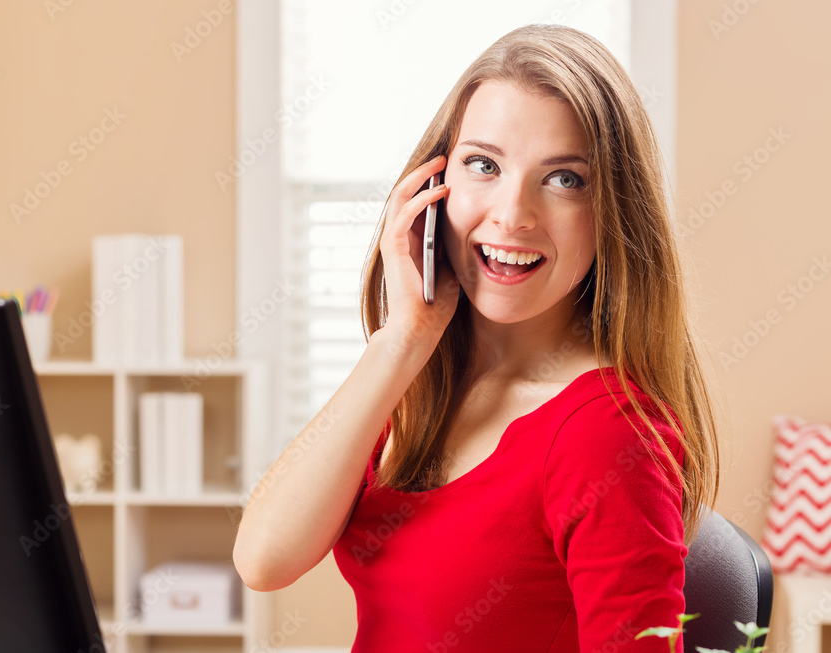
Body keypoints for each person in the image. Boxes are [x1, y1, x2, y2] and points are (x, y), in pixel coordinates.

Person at [233, 23, 722, 651]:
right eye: (483, 165)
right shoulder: (424, 376)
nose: (512, 213)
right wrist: (401, 339)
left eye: (564, 178)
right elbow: (264, 560)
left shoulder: (606, 433)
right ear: (433, 190)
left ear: (613, 213)